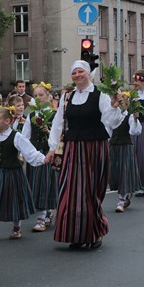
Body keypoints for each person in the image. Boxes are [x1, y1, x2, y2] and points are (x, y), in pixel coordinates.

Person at [46, 60, 123, 250]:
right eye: (74, 72)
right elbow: (59, 124)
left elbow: (111, 122)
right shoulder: (67, 97)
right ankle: (75, 233)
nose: (77, 75)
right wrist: (52, 147)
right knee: (70, 191)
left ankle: (94, 232)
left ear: (88, 73)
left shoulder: (101, 95)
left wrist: (114, 107)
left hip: (94, 147)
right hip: (73, 147)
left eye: (81, 71)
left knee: (90, 191)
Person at [0, 106, 46, 240]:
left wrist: (44, 159)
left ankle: (16, 227)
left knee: (15, 200)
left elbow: (30, 153)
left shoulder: (17, 136)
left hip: (13, 173)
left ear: (7, 121)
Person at [21, 83, 58, 231]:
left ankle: (41, 218)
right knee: (36, 184)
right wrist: (23, 153)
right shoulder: (31, 115)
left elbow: (59, 136)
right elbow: (25, 136)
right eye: (35, 96)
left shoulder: (54, 115)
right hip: (34, 155)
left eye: (41, 95)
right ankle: (47, 211)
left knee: (44, 184)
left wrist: (48, 131)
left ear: (48, 96)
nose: (38, 98)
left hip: (47, 154)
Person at [110, 110, 143, 213]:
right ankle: (127, 194)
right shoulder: (111, 114)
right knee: (114, 173)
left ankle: (121, 200)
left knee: (124, 171)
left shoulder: (129, 116)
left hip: (125, 146)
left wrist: (135, 120)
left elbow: (135, 131)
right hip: (113, 147)